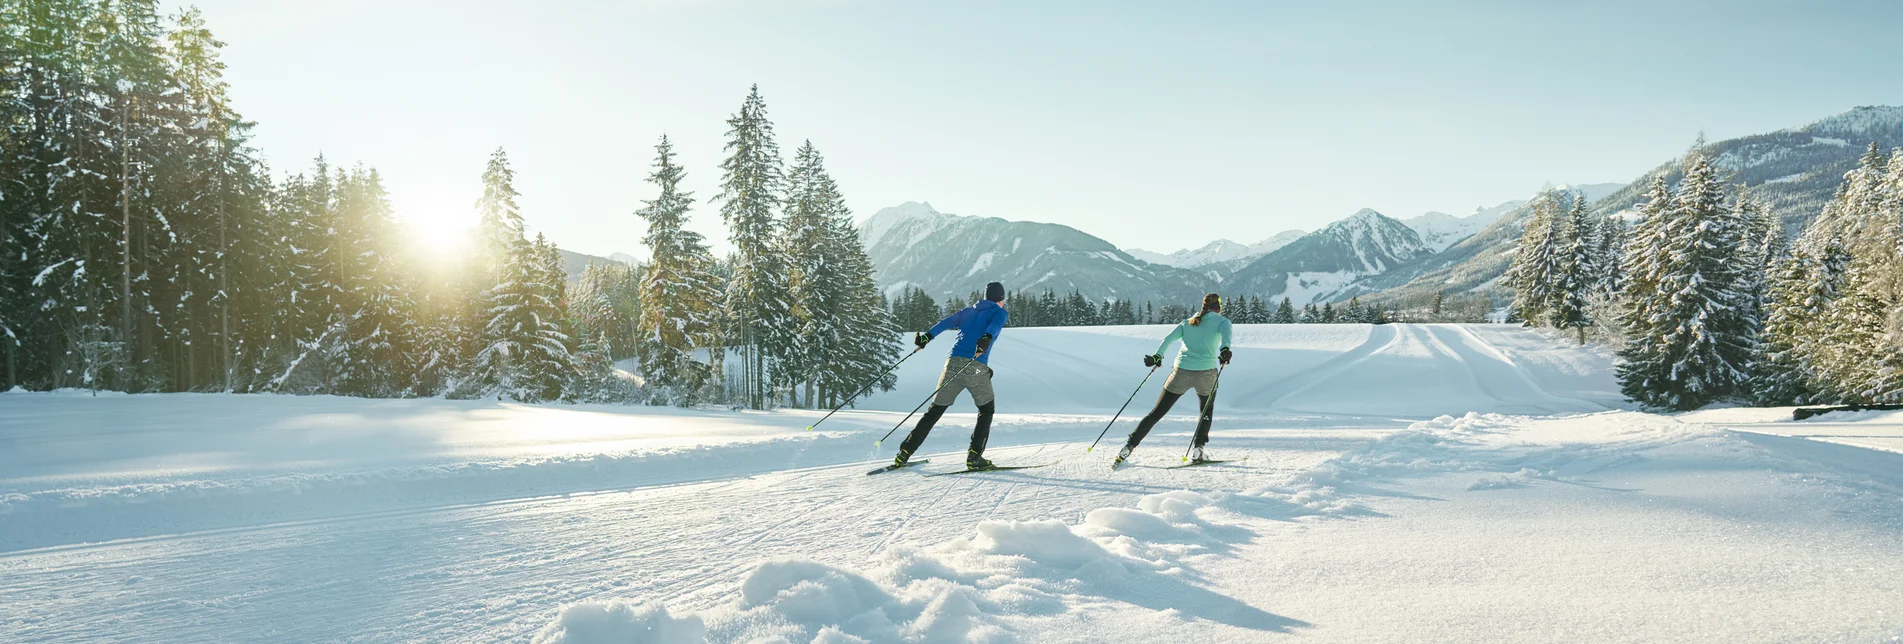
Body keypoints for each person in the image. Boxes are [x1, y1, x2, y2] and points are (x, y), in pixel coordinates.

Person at [893, 281, 1010, 470]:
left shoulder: (968, 311)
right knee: (986, 410)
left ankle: (904, 453)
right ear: (1000, 299)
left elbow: (945, 323)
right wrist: (987, 338)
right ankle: (974, 457)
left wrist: (926, 338)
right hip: (975, 364)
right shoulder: (999, 312)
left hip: (952, 364)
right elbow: (995, 326)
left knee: (934, 411)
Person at [1115, 293, 1233, 469]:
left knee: (1156, 412)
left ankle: (1128, 447)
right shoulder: (1223, 322)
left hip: (1181, 372)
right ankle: (1198, 450)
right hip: (1206, 373)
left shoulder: (1188, 322)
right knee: (1206, 410)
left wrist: (1157, 357)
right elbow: (1226, 341)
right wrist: (1224, 352)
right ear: (1219, 307)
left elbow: (1168, 339)